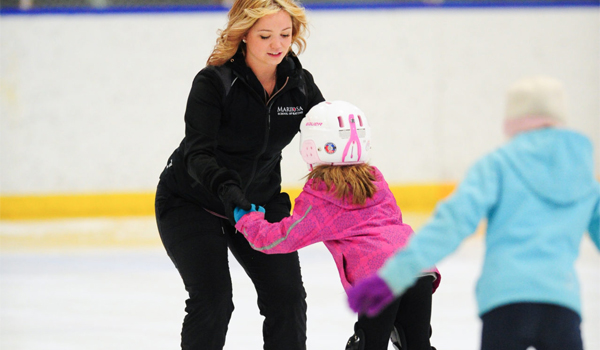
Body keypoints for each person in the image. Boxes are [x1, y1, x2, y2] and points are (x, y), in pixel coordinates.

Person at [347, 76, 600, 350]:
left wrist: (391, 278)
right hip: (561, 303)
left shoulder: (497, 166)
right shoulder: (583, 175)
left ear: (513, 120)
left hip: (505, 303)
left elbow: (448, 227)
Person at [154, 1, 325, 349]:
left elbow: (330, 136)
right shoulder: (214, 82)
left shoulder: (299, 85)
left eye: (285, 34)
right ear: (244, 34)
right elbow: (197, 154)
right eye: (265, 35)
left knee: (287, 298)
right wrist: (231, 195)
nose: (277, 45)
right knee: (214, 300)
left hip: (259, 201)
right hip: (191, 201)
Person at [233, 100, 441, 350]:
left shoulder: (321, 194)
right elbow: (392, 224)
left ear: (312, 146)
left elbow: (280, 239)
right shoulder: (375, 178)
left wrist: (247, 219)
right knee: (417, 344)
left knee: (368, 345)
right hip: (418, 266)